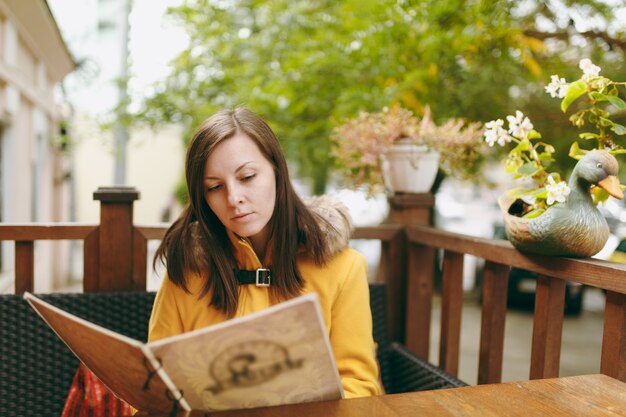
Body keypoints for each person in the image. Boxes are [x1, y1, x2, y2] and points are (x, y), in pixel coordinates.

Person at [149, 107, 381, 399]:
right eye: (215, 187)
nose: (234, 199)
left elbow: (359, 387)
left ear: (276, 170)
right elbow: (154, 390)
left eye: (247, 177)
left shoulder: (343, 268)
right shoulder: (187, 270)